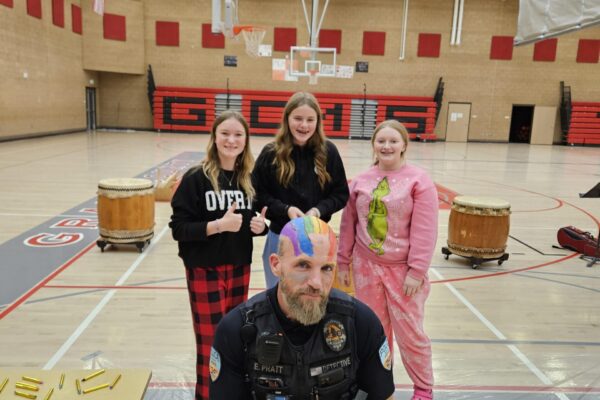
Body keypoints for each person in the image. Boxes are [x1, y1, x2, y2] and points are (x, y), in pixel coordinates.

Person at [209, 216, 395, 400]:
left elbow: (384, 396)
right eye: (303, 265)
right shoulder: (236, 328)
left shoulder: (359, 322)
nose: (316, 283)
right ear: (276, 265)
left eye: (326, 269)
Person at [336, 120, 438, 400]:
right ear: (374, 145)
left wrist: (417, 270)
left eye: (393, 141)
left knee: (411, 334)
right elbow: (348, 224)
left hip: (403, 272)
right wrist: (343, 261)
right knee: (373, 333)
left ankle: (423, 388)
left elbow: (425, 229)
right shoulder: (360, 181)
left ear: (404, 145)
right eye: (381, 141)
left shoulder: (419, 181)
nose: (387, 146)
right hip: (365, 268)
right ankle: (380, 386)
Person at [170, 110, 268, 400]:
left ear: (246, 141)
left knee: (236, 339)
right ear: (214, 137)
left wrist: (261, 227)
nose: (231, 140)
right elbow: (179, 229)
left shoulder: (248, 179)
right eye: (225, 133)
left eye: (238, 134)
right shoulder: (195, 178)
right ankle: (207, 395)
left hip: (239, 267)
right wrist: (217, 226)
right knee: (209, 342)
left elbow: (253, 221)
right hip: (204, 269)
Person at [253, 92, 349, 289]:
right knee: (278, 296)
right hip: (280, 237)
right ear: (287, 118)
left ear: (317, 122)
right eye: (298, 118)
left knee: (313, 297)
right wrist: (285, 209)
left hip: (318, 238)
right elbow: (256, 195)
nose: (303, 125)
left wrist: (318, 211)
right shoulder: (271, 153)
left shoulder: (328, 151)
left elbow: (340, 194)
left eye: (310, 120)